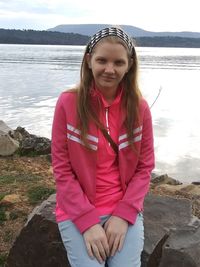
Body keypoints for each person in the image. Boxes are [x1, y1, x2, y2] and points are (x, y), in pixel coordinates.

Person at [51, 26, 155, 267]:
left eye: (118, 62)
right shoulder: (68, 103)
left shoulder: (140, 108)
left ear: (129, 65)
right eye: (102, 60)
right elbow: (62, 170)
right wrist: (87, 221)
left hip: (123, 207)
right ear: (89, 60)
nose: (110, 69)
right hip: (77, 208)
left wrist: (124, 214)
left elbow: (145, 166)